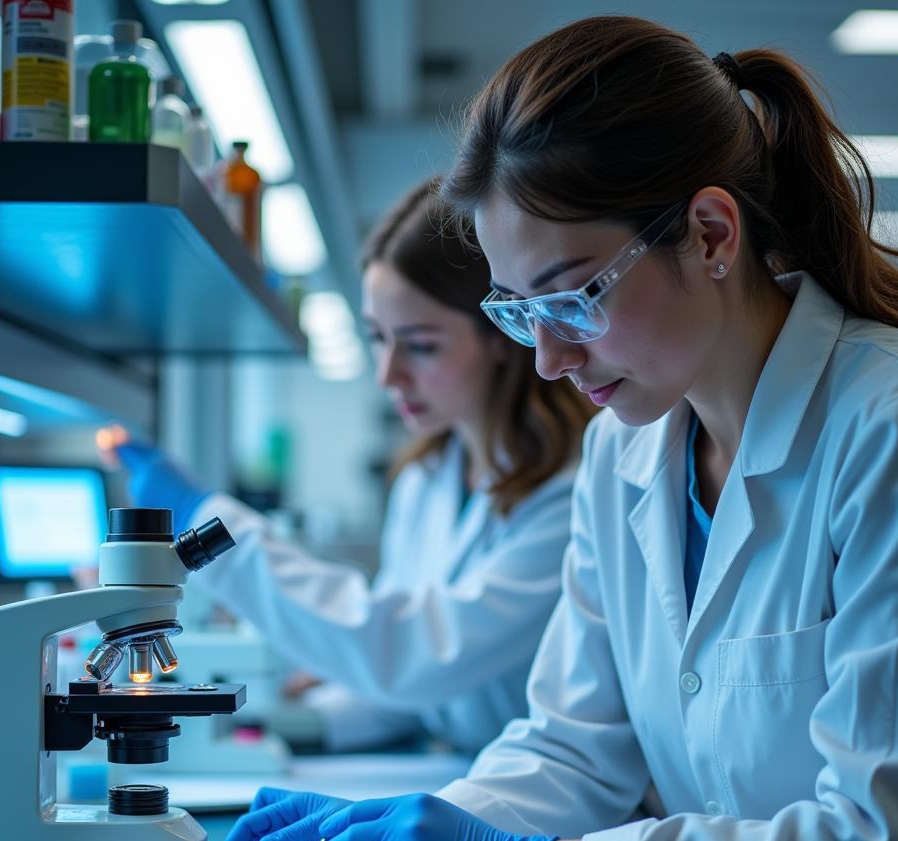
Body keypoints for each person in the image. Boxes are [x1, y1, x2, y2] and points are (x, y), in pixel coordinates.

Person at [213, 15, 898, 841]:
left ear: (709, 234)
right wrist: (417, 832)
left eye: (571, 296)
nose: (550, 359)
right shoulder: (628, 447)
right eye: (519, 312)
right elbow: (572, 744)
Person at [114, 177, 594, 756]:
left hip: (540, 796)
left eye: (420, 345)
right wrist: (287, 726)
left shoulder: (569, 495)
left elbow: (412, 655)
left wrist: (209, 523)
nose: (388, 375)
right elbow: (402, 685)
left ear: (502, 332)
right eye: (377, 338)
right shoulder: (427, 478)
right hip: (459, 767)